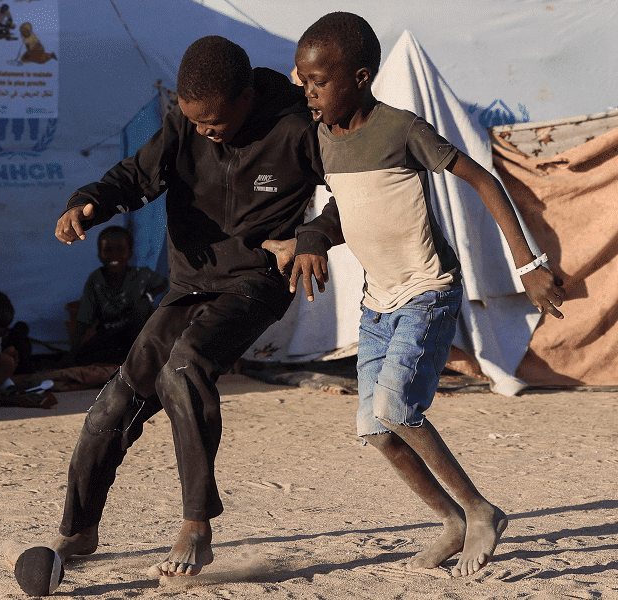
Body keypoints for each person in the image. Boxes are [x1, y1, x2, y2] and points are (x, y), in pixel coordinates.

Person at [279, 12, 567, 578]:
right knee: (374, 431)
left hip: (427, 291)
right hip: (376, 302)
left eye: (320, 82)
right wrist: (309, 237)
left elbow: (484, 180)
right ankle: (453, 522)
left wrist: (528, 264)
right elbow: (348, 206)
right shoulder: (322, 139)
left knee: (396, 408)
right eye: (305, 81)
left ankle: (480, 511)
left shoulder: (400, 128)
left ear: (361, 77)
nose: (309, 92)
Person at [49, 35, 337, 577]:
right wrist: (90, 202)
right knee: (114, 403)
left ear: (247, 97)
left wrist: (316, 233)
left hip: (257, 280)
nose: (204, 131)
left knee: (186, 367)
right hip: (189, 284)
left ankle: (197, 524)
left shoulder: (299, 125)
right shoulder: (187, 122)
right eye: (194, 121)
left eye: (214, 122)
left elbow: (361, 189)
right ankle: (78, 529)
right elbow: (138, 176)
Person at [72, 225, 168, 366]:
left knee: (141, 308)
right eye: (108, 251)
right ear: (99, 254)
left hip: (138, 337)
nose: (114, 256)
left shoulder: (140, 275)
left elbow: (163, 282)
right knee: (87, 356)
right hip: (110, 335)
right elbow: (84, 319)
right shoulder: (96, 280)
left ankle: (139, 362)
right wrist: (74, 353)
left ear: (129, 253)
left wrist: (148, 297)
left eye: (120, 250)